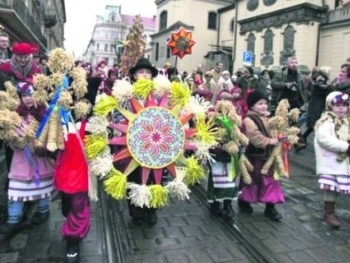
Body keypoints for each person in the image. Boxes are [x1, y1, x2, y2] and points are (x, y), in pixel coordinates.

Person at [0, 82, 54, 239]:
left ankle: (43, 211)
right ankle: (13, 219)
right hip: (21, 160)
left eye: (30, 94)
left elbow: (51, 135)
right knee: (16, 188)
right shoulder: (15, 115)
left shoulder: (44, 113)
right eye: (24, 95)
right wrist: (15, 141)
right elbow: (10, 135)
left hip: (39, 158)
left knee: (42, 187)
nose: (28, 99)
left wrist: (43, 146)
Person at [115, 57, 160, 225]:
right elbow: (118, 114)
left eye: (148, 72)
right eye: (141, 72)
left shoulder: (158, 94)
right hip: (131, 144)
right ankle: (136, 212)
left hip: (155, 144)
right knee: (134, 178)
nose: (144, 75)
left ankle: (152, 210)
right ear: (134, 75)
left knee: (154, 179)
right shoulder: (126, 94)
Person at [238, 90, 285, 221]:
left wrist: (281, 134)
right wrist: (269, 141)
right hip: (254, 156)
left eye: (265, 103)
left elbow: (276, 130)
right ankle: (244, 200)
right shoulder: (249, 120)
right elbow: (254, 137)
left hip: (269, 156)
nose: (264, 106)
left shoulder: (269, 118)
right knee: (251, 180)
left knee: (271, 181)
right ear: (252, 105)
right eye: (260, 104)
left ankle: (271, 207)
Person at [54, 108, 92, 262]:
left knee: (78, 209)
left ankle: (73, 241)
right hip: (64, 175)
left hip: (81, 176)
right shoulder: (61, 123)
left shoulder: (91, 126)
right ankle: (72, 229)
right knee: (67, 207)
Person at [314, 91, 350, 229]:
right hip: (331, 161)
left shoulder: (347, 121)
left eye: (345, 105)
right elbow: (324, 140)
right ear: (330, 106)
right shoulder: (325, 121)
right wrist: (345, 146)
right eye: (337, 105)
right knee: (331, 187)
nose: (341, 108)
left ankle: (330, 210)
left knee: (341, 186)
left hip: (344, 162)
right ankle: (329, 212)